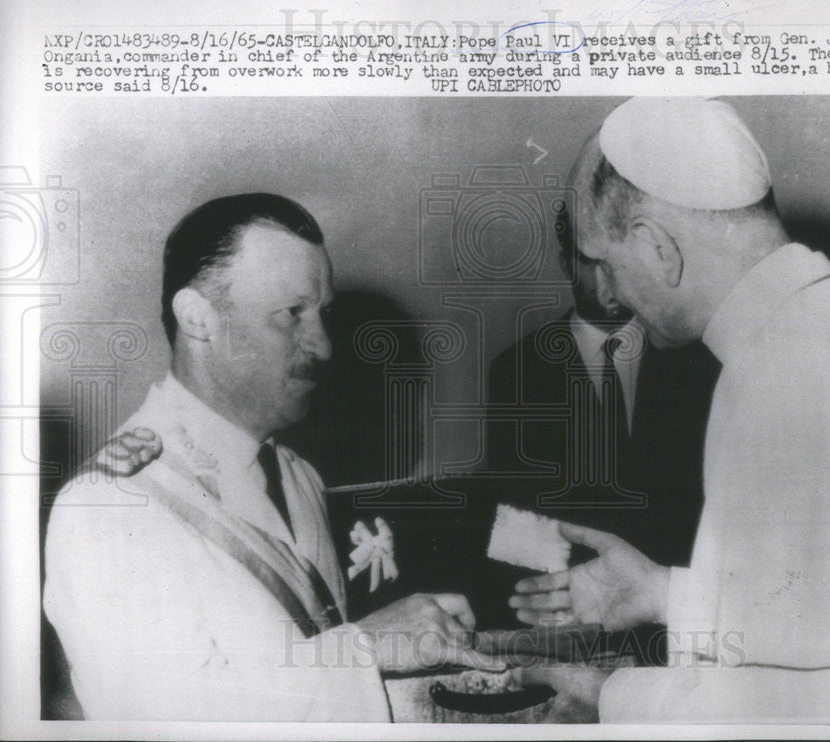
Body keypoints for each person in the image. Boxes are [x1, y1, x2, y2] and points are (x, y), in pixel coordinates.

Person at [509, 98, 830, 722]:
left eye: (609, 267)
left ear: (657, 247)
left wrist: (604, 697)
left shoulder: (780, 378)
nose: (613, 294)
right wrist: (663, 592)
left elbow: (801, 708)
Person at [43, 193, 500, 721]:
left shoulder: (296, 473)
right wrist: (366, 647)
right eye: (292, 314)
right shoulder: (111, 504)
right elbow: (161, 719)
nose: (325, 346)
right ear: (198, 318)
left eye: (322, 313)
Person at [481, 195, 718, 632]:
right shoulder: (518, 371)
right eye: (595, 264)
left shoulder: (697, 361)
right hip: (569, 619)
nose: (612, 283)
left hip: (676, 618)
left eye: (620, 263)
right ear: (568, 265)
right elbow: (518, 516)